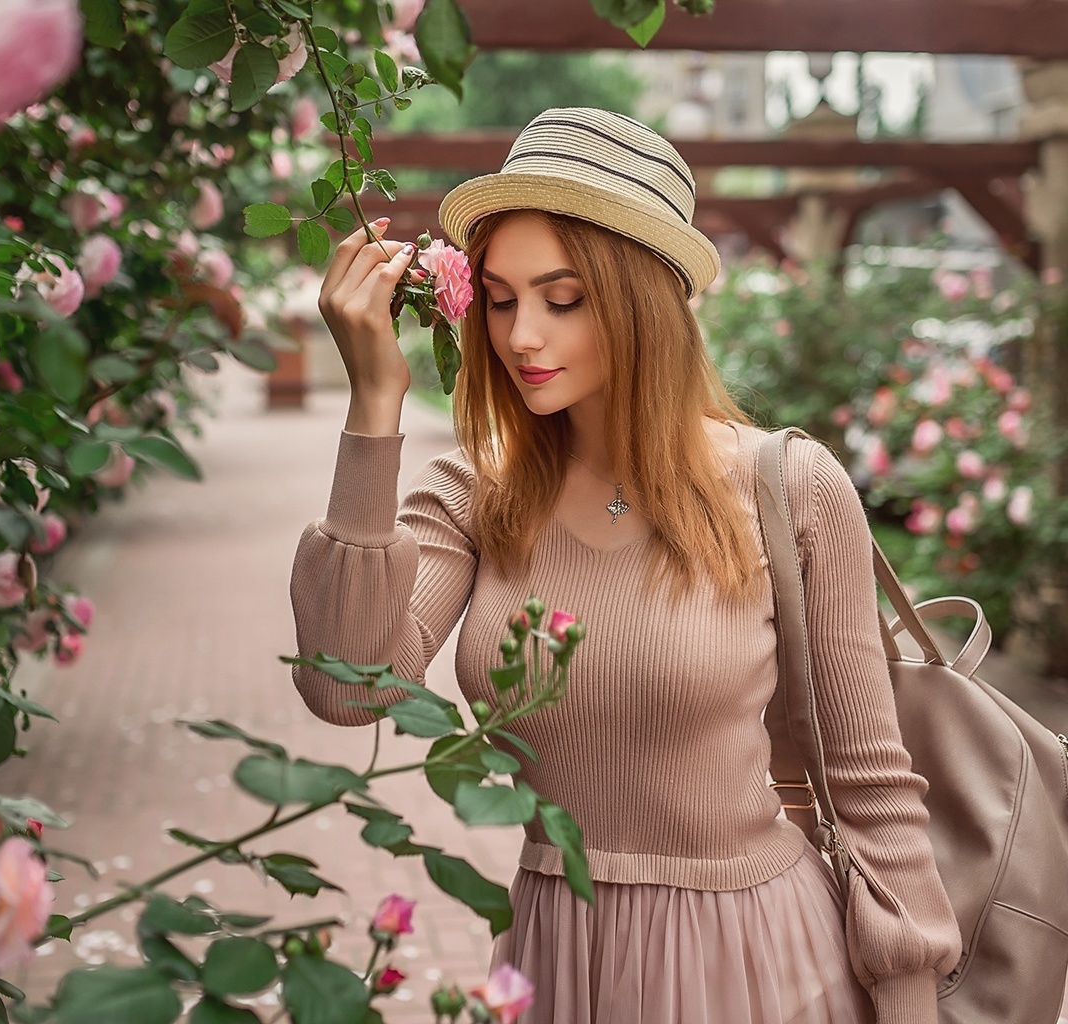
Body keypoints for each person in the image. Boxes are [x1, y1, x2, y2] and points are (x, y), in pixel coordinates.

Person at [289, 107, 961, 1023]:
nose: (523, 335)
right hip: (557, 962)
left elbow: (872, 784)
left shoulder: (790, 486)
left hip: (758, 967)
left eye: (563, 299)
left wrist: (911, 999)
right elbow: (353, 689)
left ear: (645, 300)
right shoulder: (477, 493)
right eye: (500, 298)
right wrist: (374, 403)